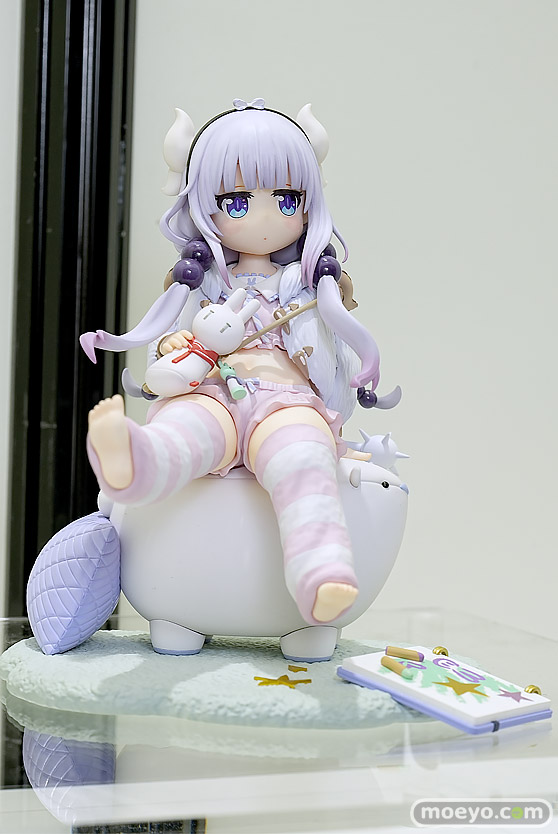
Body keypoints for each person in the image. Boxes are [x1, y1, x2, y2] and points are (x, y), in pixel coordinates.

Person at [84, 99, 384, 627]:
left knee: (303, 459)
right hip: (213, 392)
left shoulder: (307, 282)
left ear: (308, 205)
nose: (265, 217)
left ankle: (322, 571)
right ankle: (137, 465)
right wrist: (173, 345)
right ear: (203, 206)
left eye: (286, 199)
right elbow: (174, 338)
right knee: (182, 429)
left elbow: (331, 336)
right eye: (238, 202)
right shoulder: (205, 282)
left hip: (287, 401)